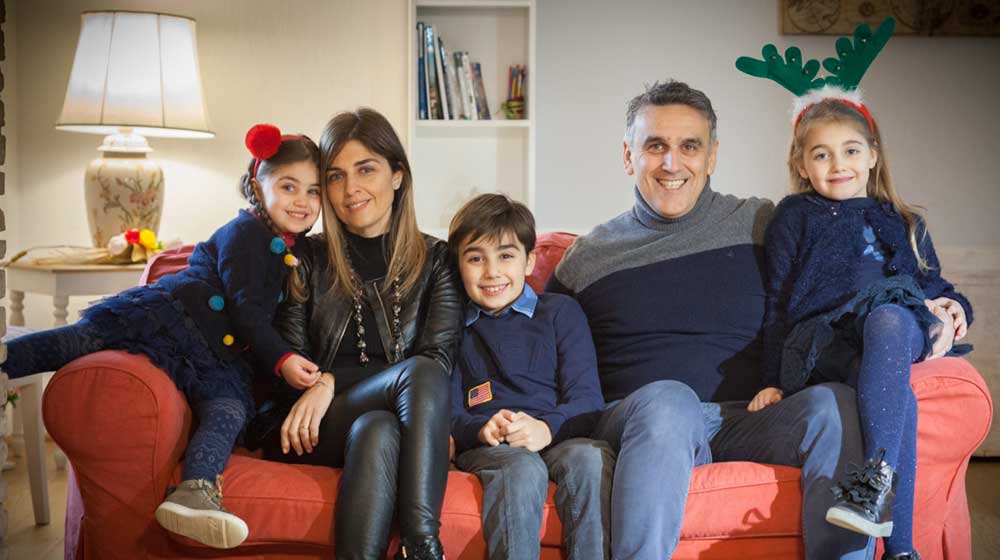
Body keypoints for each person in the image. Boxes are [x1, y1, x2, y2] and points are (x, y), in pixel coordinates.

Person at [546, 80, 877, 559]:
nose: (671, 163)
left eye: (689, 146)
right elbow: (539, 346)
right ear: (628, 156)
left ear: (712, 155)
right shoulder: (587, 258)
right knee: (670, 400)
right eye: (654, 146)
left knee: (834, 404)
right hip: (645, 420)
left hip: (752, 417)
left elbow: (849, 271)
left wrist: (927, 307)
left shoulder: (763, 223)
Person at [1, 124, 323, 549]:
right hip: (173, 317)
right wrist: (282, 359)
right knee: (85, 338)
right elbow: (247, 310)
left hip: (217, 357)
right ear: (256, 186)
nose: (303, 201)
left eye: (314, 191)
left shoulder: (289, 249)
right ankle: (10, 359)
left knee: (228, 410)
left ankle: (195, 492)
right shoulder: (245, 233)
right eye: (288, 186)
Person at [748, 95, 971, 560]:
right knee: (896, 397)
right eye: (821, 153)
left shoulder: (904, 221)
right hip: (827, 336)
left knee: (887, 317)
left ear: (872, 155)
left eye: (851, 150)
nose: (838, 164)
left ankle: (873, 479)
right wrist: (771, 378)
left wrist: (956, 307)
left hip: (897, 325)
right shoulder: (794, 216)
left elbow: (936, 285)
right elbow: (777, 303)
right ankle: (902, 551)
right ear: (802, 163)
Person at [247, 108, 462, 560]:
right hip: (304, 425)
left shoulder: (438, 261)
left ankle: (419, 546)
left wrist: (332, 380)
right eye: (336, 176)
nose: (351, 190)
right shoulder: (303, 258)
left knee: (379, 426)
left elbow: (438, 362)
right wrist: (320, 383)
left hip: (386, 420)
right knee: (410, 382)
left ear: (398, 175)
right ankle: (424, 549)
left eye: (366, 169)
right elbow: (289, 365)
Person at [447, 193, 613, 560]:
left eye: (505, 256)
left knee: (590, 458)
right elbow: (448, 412)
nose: (491, 272)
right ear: (458, 266)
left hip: (559, 434)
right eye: (476, 258)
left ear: (529, 261)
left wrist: (546, 429)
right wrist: (480, 428)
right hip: (492, 449)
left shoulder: (560, 313)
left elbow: (587, 400)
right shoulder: (453, 328)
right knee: (521, 467)